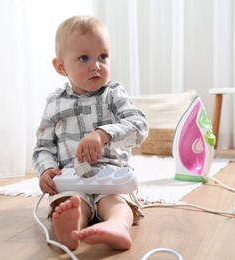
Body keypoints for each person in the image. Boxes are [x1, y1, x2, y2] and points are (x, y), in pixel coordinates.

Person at [32, 15, 148, 251]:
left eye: (103, 57)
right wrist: (45, 169)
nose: (96, 65)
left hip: (111, 174)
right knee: (70, 201)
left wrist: (104, 133)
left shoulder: (114, 93)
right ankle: (73, 225)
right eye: (84, 58)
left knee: (116, 202)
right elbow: (44, 147)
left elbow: (139, 126)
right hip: (72, 176)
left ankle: (117, 226)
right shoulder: (55, 104)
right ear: (61, 66)